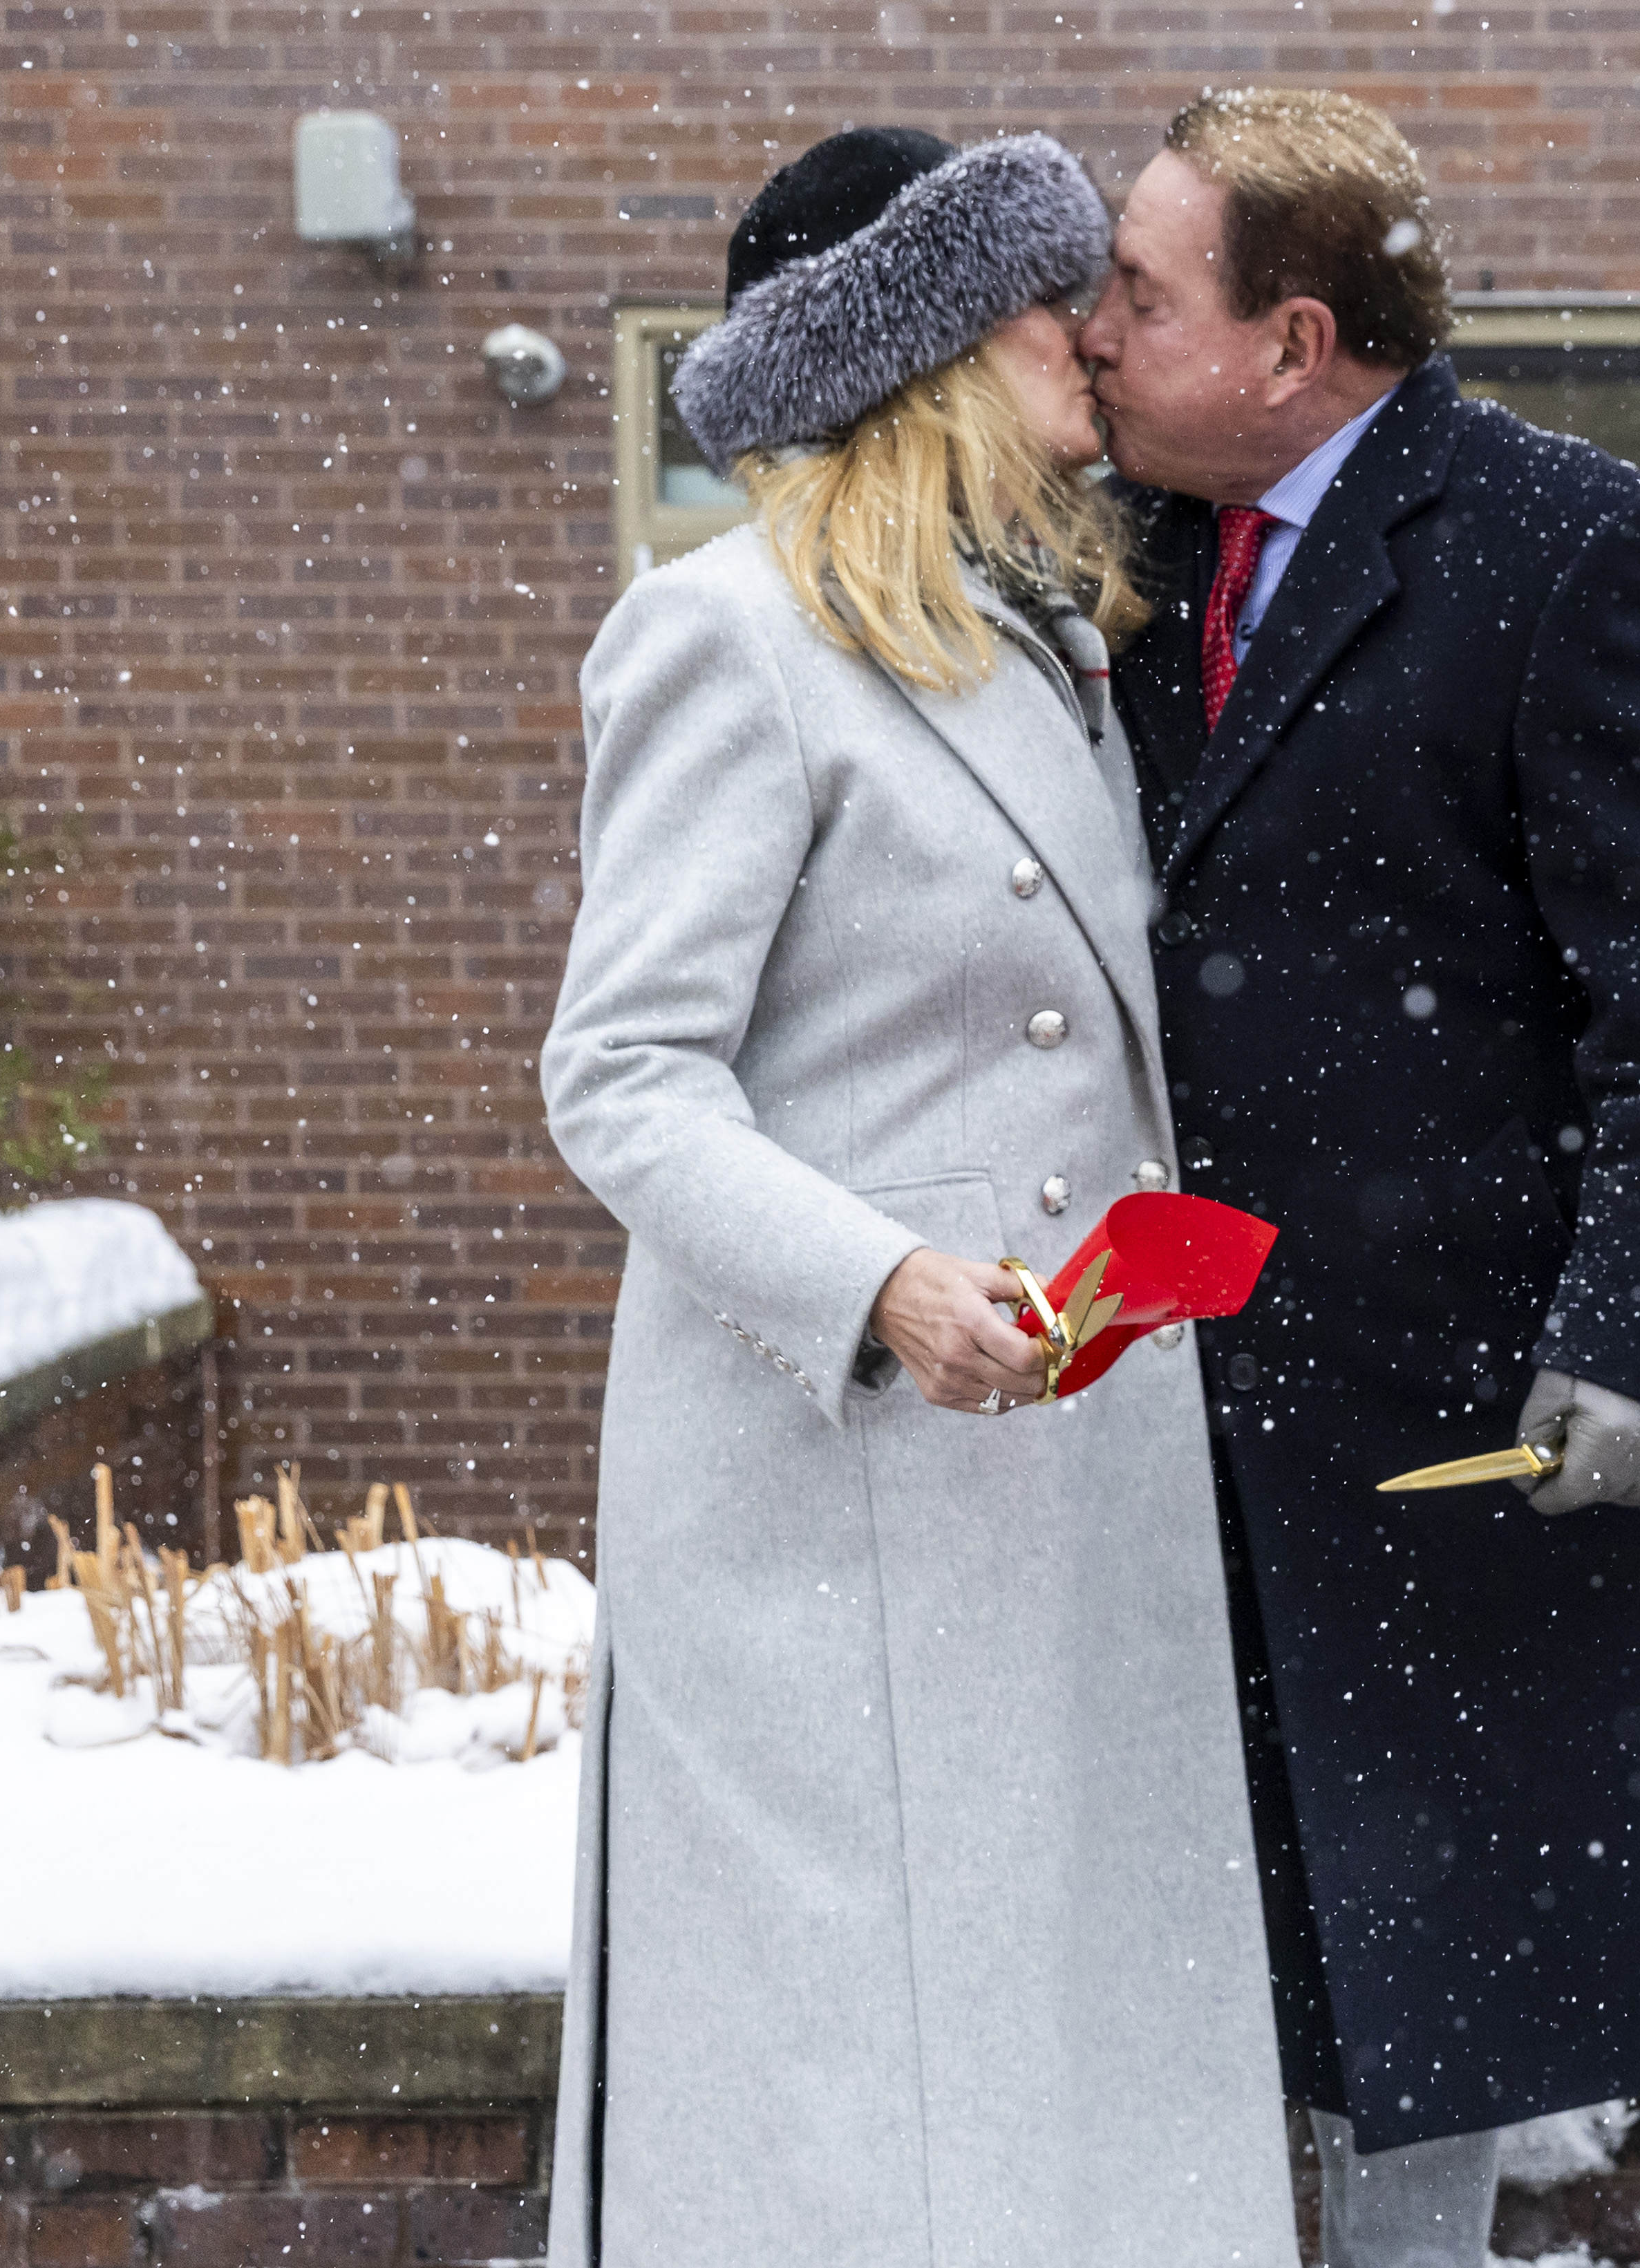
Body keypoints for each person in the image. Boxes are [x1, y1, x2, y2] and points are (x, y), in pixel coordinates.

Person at [1079, 88, 1640, 2268]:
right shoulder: (1123, 561)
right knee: (1382, 1963)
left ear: (1294, 337)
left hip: (1569, 1425)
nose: (1089, 332)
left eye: (1137, 292)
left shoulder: (1563, 543)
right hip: (1293, 1413)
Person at [539, 126, 1294, 2268]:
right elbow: (619, 1070)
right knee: (856, 2075)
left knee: (1056, 2038)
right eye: (1053, 295)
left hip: (1055, 1440)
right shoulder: (729, 639)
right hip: (844, 1490)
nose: (1096, 331)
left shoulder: (1056, 635)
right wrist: (874, 1278)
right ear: (935, 346)